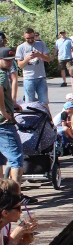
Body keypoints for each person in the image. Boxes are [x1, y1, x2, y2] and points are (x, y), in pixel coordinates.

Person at [0, 48, 27, 196]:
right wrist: (4, 111)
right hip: (4, 123)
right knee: (16, 157)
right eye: (7, 60)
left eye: (11, 60)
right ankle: (16, 194)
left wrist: (12, 103)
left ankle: (2, 193)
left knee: (0, 159)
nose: (10, 63)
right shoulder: (2, 75)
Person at [15, 28, 52, 107]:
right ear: (24, 37)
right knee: (30, 102)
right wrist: (27, 58)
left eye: (32, 38)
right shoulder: (21, 47)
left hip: (41, 77)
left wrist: (39, 55)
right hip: (29, 78)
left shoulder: (41, 44)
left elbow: (48, 59)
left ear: (34, 36)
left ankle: (47, 118)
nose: (31, 40)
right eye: (28, 38)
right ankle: (33, 118)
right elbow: (20, 65)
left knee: (44, 101)